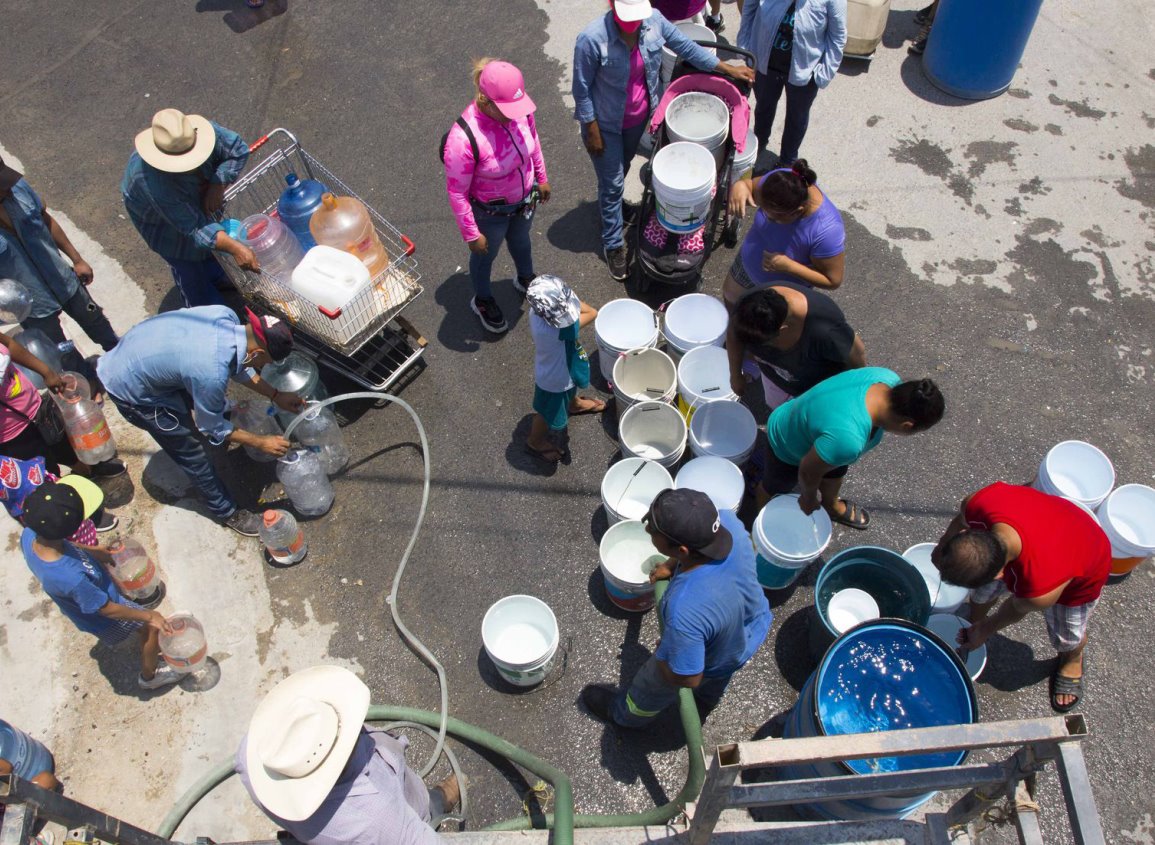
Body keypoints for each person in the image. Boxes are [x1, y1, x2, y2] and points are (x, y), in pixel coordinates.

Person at [573, 0, 756, 281]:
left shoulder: (654, 20)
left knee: (620, 170)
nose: (634, 23)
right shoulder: (591, 38)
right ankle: (613, 244)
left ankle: (615, 206)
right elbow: (582, 88)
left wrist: (726, 69)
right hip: (606, 125)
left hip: (638, 118)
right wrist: (591, 127)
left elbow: (687, 47)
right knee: (612, 182)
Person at [96, 307, 305, 537]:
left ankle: (217, 440)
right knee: (195, 454)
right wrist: (260, 442)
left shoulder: (225, 316)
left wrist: (275, 395)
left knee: (207, 404)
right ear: (256, 354)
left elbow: (239, 365)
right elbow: (210, 425)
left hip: (139, 355)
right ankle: (226, 511)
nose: (262, 367)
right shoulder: (211, 372)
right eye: (265, 361)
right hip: (131, 389)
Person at [581, 488, 772, 727]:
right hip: (750, 631)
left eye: (653, 530)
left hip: (710, 660)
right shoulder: (728, 523)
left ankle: (623, 715)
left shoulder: (684, 607)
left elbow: (690, 677)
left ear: (682, 550)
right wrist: (672, 566)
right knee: (721, 670)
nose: (648, 529)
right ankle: (706, 701)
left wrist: (665, 659)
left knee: (652, 686)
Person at [931, 482, 1111, 712]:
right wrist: (942, 544)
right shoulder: (978, 504)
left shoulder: (1040, 588)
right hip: (1053, 520)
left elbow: (1014, 609)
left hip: (1084, 561)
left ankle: (1072, 657)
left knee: (1066, 635)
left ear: (1000, 575)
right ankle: (975, 619)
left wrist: (986, 629)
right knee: (981, 595)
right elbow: (958, 521)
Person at [236, 665, 459, 845]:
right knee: (423, 805)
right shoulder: (381, 820)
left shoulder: (252, 758)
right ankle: (438, 802)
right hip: (404, 813)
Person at [19, 476, 181, 690]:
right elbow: (106, 609)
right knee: (150, 628)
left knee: (144, 624)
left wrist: (96, 552)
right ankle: (149, 676)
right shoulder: (71, 578)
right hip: (105, 617)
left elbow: (66, 543)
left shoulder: (31, 533)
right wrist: (149, 615)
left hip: (100, 596)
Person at [759, 367, 944, 529]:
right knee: (773, 485)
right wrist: (808, 498)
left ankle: (831, 505)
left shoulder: (885, 377)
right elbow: (808, 471)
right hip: (786, 444)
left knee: (835, 473)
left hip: (824, 438)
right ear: (907, 426)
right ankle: (760, 521)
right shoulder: (849, 440)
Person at [443, 60, 551, 335]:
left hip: (524, 202)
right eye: (506, 110)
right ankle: (482, 299)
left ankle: (526, 278)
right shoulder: (463, 139)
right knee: (484, 258)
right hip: (488, 215)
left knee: (521, 241)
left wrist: (542, 177)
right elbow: (456, 191)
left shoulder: (520, 112)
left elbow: (534, 141)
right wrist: (470, 233)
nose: (513, 116)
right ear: (484, 100)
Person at [122, 108, 258, 308]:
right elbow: (196, 227)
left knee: (211, 253)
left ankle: (217, 276)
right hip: (166, 225)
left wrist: (217, 183)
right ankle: (206, 313)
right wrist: (236, 248)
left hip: (196, 201)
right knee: (189, 267)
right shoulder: (154, 182)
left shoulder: (203, 133)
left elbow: (238, 150)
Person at [0, 156, 119, 369]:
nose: (8, 190)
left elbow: (46, 220)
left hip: (64, 280)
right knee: (59, 350)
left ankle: (122, 357)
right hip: (32, 306)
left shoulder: (17, 188)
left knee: (98, 324)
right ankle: (87, 381)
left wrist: (77, 259)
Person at [0, 330, 125, 479]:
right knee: (44, 474)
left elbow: (8, 343)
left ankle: (89, 470)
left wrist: (46, 372)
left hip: (35, 405)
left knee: (67, 444)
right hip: (11, 435)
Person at [737, 0, 846, 166]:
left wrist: (824, 73)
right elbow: (749, 7)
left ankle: (788, 160)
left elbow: (837, 36)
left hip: (805, 71)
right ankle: (759, 143)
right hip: (766, 63)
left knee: (797, 117)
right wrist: (745, 47)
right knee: (764, 107)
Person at [726, 283, 865, 410]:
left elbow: (857, 360)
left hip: (816, 393)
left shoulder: (826, 331)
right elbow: (734, 333)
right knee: (780, 411)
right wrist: (735, 374)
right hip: (776, 378)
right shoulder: (749, 307)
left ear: (783, 329)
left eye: (762, 344)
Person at [725, 159, 845, 304]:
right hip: (746, 267)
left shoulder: (827, 231)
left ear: (797, 212)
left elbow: (833, 280)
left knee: (755, 325)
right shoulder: (782, 181)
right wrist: (741, 185)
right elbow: (750, 185)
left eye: (775, 219)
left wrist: (789, 267)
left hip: (778, 293)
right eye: (763, 210)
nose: (767, 219)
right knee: (731, 302)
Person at [523, 275, 603, 464]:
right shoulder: (560, 331)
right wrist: (571, 299)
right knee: (546, 412)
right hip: (555, 381)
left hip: (558, 368)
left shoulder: (535, 313)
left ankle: (573, 404)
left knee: (569, 389)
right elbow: (592, 312)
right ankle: (535, 442)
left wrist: (565, 300)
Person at [1, 454, 117, 537]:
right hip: (18, 496)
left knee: (60, 494)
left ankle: (81, 515)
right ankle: (78, 531)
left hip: (25, 471)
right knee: (55, 519)